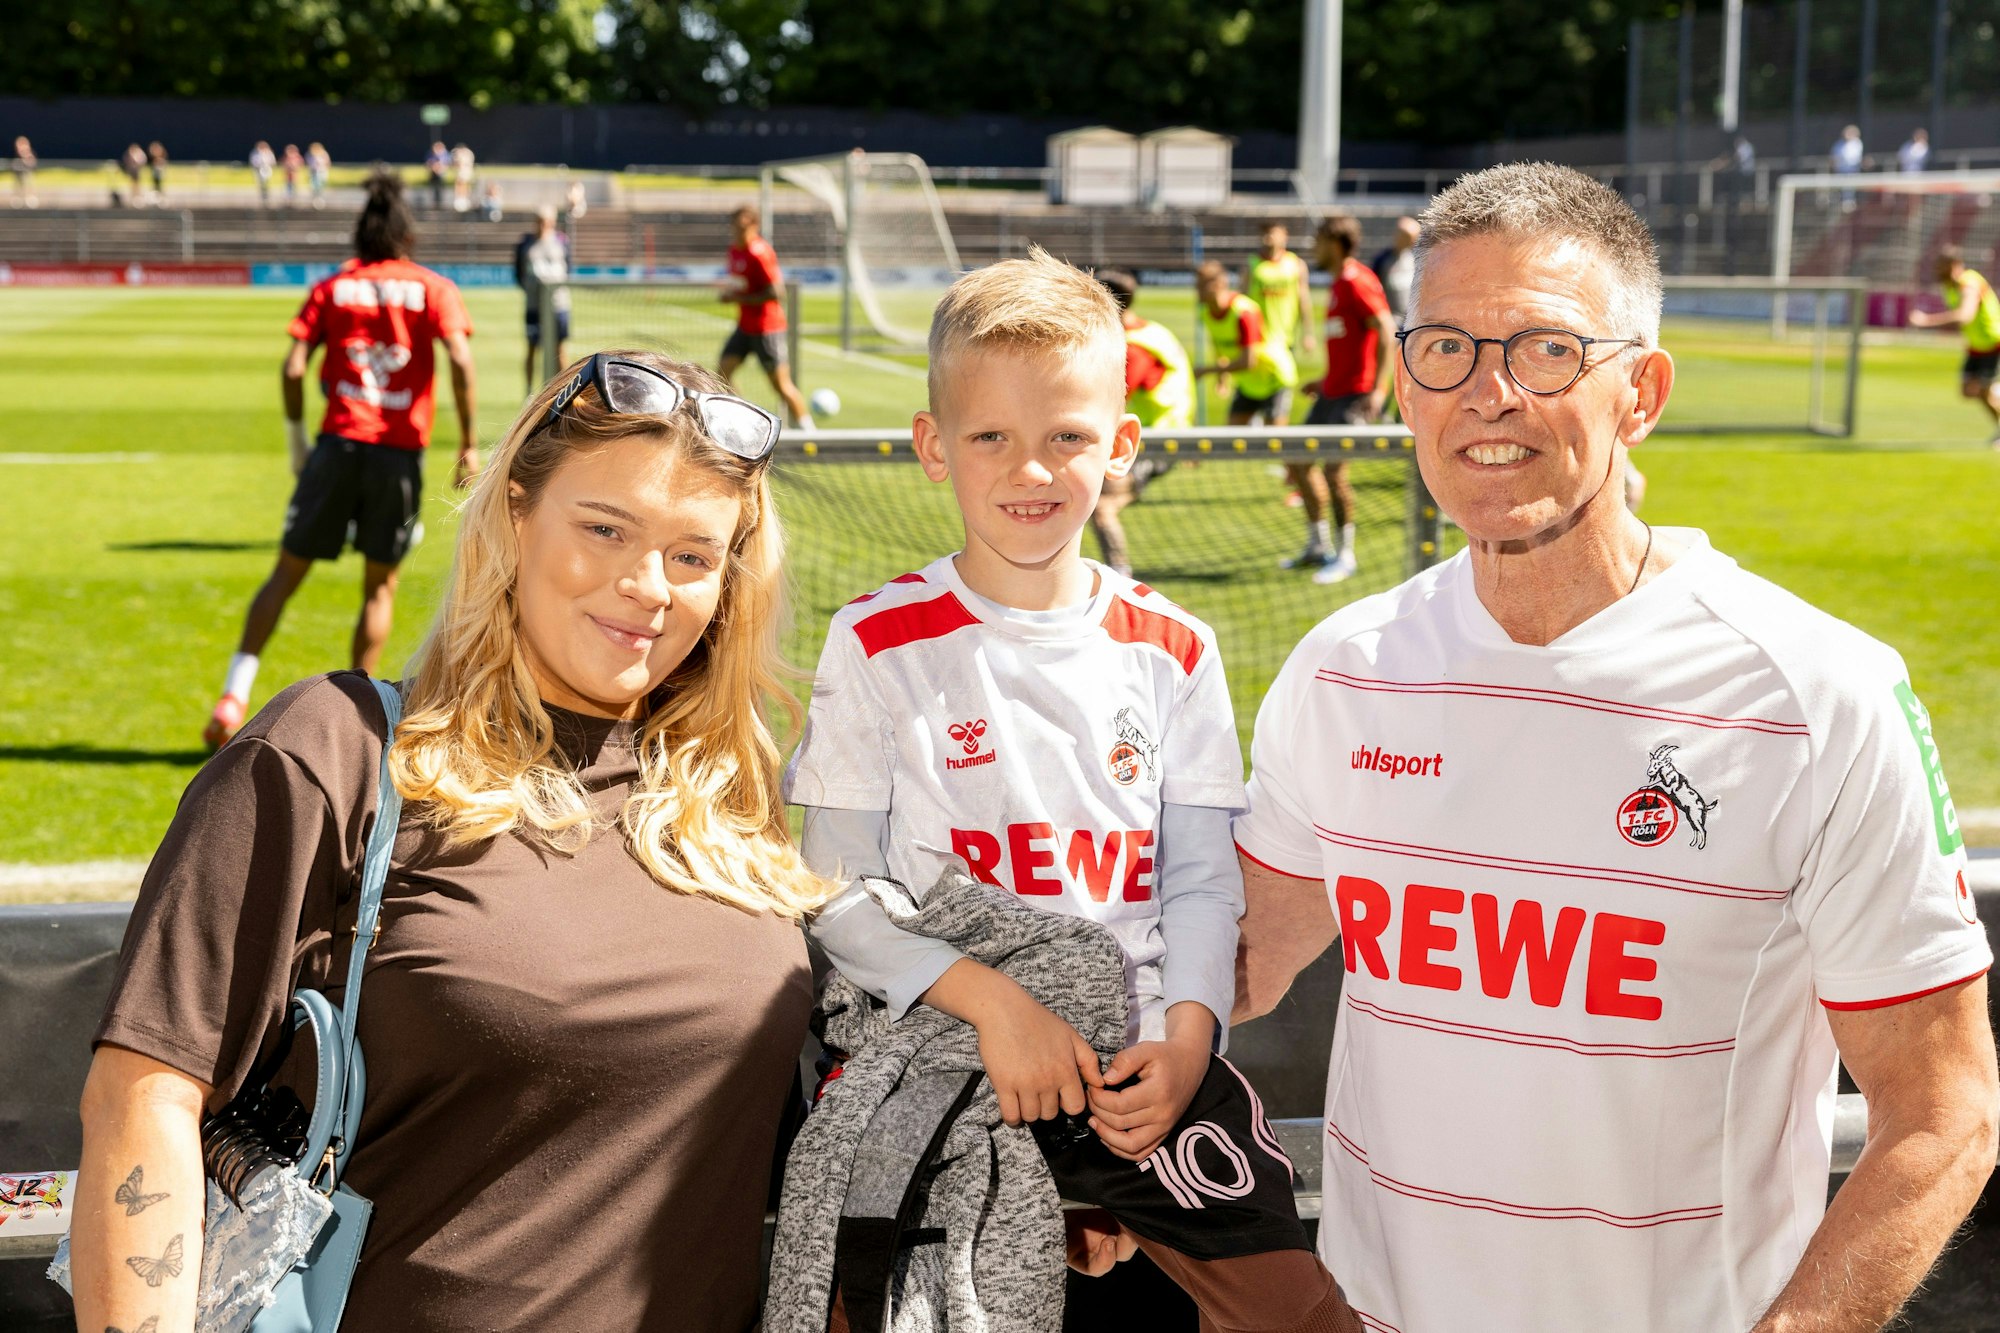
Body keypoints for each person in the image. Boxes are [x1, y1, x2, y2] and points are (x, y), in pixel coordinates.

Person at [1231, 162, 1997, 1333]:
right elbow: (1229, 963)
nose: (1484, 396)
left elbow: (1944, 1111)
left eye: (1543, 351)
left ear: (1638, 392)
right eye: (1444, 349)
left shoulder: (1818, 694)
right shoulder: (1344, 668)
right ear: (1403, 384)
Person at [73, 346, 823, 1332]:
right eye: (605, 529)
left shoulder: (725, 799)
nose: (648, 585)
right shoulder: (334, 751)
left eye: (693, 555)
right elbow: (145, 1100)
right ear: (516, 511)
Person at [786, 248, 1364, 1332]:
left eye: (1066, 437)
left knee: (1301, 1318)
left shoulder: (1172, 645)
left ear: (1122, 450)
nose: (1031, 470)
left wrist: (1188, 1034)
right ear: (932, 448)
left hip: (1140, 1073)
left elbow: (1199, 879)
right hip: (948, 1061)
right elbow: (835, 891)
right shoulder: (876, 640)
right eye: (990, 438)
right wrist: (995, 1007)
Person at [201, 172, 478, 749]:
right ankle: (359, 727)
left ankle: (233, 695)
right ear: (407, 236)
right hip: (397, 455)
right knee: (379, 588)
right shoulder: (433, 287)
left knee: (285, 575)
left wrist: (298, 439)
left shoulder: (333, 287)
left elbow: (294, 367)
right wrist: (469, 443)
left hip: (337, 446)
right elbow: (460, 357)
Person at [1285, 214, 1394, 585]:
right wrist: (1324, 380)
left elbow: (1386, 331)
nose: (1313, 248)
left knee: (1334, 471)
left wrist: (1378, 391)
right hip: (1332, 391)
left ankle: (1345, 555)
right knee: (1298, 462)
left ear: (1333, 243)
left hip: (1355, 395)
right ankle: (1318, 545)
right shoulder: (1337, 284)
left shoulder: (1356, 280)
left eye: (1317, 241)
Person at [1090, 267, 1194, 576]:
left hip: (1158, 442)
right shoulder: (1152, 331)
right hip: (1163, 434)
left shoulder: (1135, 347)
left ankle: (1120, 576)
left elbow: (1114, 397)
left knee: (1102, 508)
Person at [718, 204, 814, 428]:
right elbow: (743, 283)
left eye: (742, 227)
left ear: (754, 226)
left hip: (767, 328)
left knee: (780, 385)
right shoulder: (734, 251)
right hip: (745, 326)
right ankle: (740, 421)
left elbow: (776, 292)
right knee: (722, 373)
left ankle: (808, 429)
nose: (737, 231)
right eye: (734, 226)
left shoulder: (760, 253)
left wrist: (737, 299)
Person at [1908, 245, 2000, 445]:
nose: (1938, 271)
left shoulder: (1970, 283)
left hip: (1994, 342)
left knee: (1981, 390)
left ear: (1956, 265)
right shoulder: (1948, 288)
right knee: (1969, 390)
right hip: (1976, 346)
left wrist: (1927, 321)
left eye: (1943, 266)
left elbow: (1965, 316)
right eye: (1937, 266)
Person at [1194, 258, 1297, 427]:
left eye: (1201, 285)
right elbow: (1220, 346)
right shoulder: (1206, 313)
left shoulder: (1244, 312)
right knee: (1232, 439)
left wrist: (1207, 370)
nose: (1196, 290)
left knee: (1277, 443)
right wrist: (1222, 377)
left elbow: (1248, 361)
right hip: (1248, 384)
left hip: (1273, 378)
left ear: (1219, 284)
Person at [1245, 220, 1318, 382]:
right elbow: (1242, 302)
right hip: (1259, 338)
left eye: (1273, 232)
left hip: (1286, 338)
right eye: (1265, 233)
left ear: (1285, 236)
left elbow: (1304, 300)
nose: (1268, 237)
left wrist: (1308, 333)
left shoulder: (1295, 264)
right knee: (1257, 385)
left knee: (1283, 384)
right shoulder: (1252, 264)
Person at [516, 204, 571, 395]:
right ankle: (529, 392)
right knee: (532, 348)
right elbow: (519, 274)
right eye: (540, 221)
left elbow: (567, 271)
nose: (543, 225)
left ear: (553, 222)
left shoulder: (562, 242)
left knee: (559, 350)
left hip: (558, 306)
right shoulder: (525, 244)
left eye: (547, 222)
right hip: (534, 306)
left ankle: (563, 391)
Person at [1368, 216, 1420, 326]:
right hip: (1391, 320)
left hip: (1410, 319)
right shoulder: (1382, 260)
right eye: (1406, 237)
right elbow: (1372, 289)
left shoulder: (1414, 259)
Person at [10, 135, 35, 208]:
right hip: (18, 171)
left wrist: (26, 157)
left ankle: (30, 198)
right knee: (18, 185)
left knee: (28, 183)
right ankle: (18, 198)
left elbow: (32, 162)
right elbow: (13, 163)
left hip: (26, 171)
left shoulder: (29, 153)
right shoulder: (16, 155)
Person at [248, 140, 275, 207]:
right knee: (260, 182)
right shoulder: (255, 153)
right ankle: (262, 194)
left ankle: (266, 194)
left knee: (266, 182)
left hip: (266, 168)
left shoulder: (268, 153)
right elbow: (252, 161)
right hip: (258, 169)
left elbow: (272, 161)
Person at [425, 140, 449, 210]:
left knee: (440, 190)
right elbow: (428, 163)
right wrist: (433, 167)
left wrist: (439, 168)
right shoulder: (430, 154)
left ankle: (440, 203)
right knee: (433, 189)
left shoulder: (444, 154)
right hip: (433, 175)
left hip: (441, 175)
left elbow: (446, 164)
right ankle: (434, 203)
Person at [451, 142, 475, 212]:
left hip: (465, 171)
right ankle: (460, 198)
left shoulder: (467, 154)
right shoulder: (459, 153)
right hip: (462, 172)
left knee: (464, 184)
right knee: (460, 184)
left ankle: (464, 199)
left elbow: (459, 164)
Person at [306, 141, 330, 208]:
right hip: (314, 172)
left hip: (321, 172)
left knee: (320, 186)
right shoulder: (310, 154)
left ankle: (320, 198)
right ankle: (315, 199)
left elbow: (327, 162)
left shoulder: (323, 154)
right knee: (314, 186)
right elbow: (309, 163)